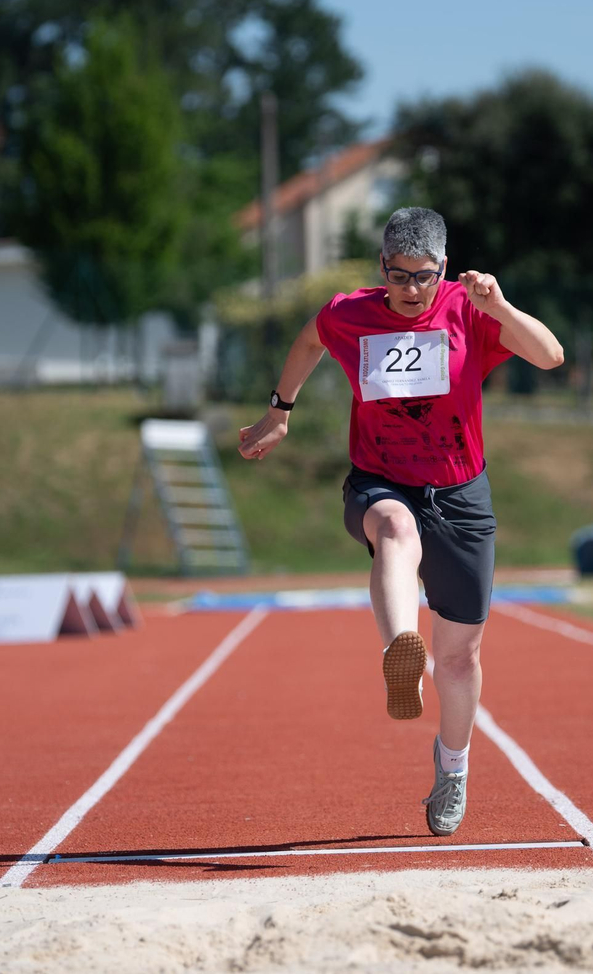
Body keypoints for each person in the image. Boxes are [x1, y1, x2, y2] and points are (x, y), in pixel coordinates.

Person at [236, 206, 565, 836]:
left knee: (461, 659)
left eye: (423, 277)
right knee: (393, 528)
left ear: (444, 266)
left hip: (461, 493)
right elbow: (308, 340)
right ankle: (398, 654)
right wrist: (280, 409)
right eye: (399, 276)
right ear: (381, 268)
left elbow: (550, 356)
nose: (411, 291)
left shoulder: (470, 308)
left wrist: (499, 306)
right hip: (381, 480)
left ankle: (453, 766)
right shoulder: (348, 312)